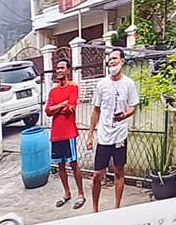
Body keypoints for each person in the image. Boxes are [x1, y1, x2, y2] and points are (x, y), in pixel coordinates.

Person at [89, 49, 139, 212]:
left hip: (120, 136)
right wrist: (90, 135)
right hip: (104, 137)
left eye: (115, 58)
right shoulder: (102, 84)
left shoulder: (129, 84)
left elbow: (133, 106)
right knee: (97, 175)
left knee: (119, 172)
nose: (111, 61)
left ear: (122, 61)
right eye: (109, 59)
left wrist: (125, 115)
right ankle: (95, 209)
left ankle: (117, 207)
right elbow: (96, 110)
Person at [46, 54, 86, 210]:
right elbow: (47, 111)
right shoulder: (53, 91)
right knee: (60, 165)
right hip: (56, 134)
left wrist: (57, 108)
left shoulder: (73, 87)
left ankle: (81, 194)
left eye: (62, 68)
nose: (59, 71)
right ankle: (67, 193)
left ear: (68, 70)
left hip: (69, 133)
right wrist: (61, 105)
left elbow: (71, 108)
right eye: (57, 68)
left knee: (73, 163)